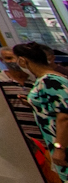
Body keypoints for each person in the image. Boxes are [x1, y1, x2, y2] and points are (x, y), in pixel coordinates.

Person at [10, 41, 68, 175]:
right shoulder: (48, 79)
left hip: (63, 144)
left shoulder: (49, 80)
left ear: (23, 60)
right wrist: (34, 104)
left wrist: (59, 148)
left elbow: (64, 116)